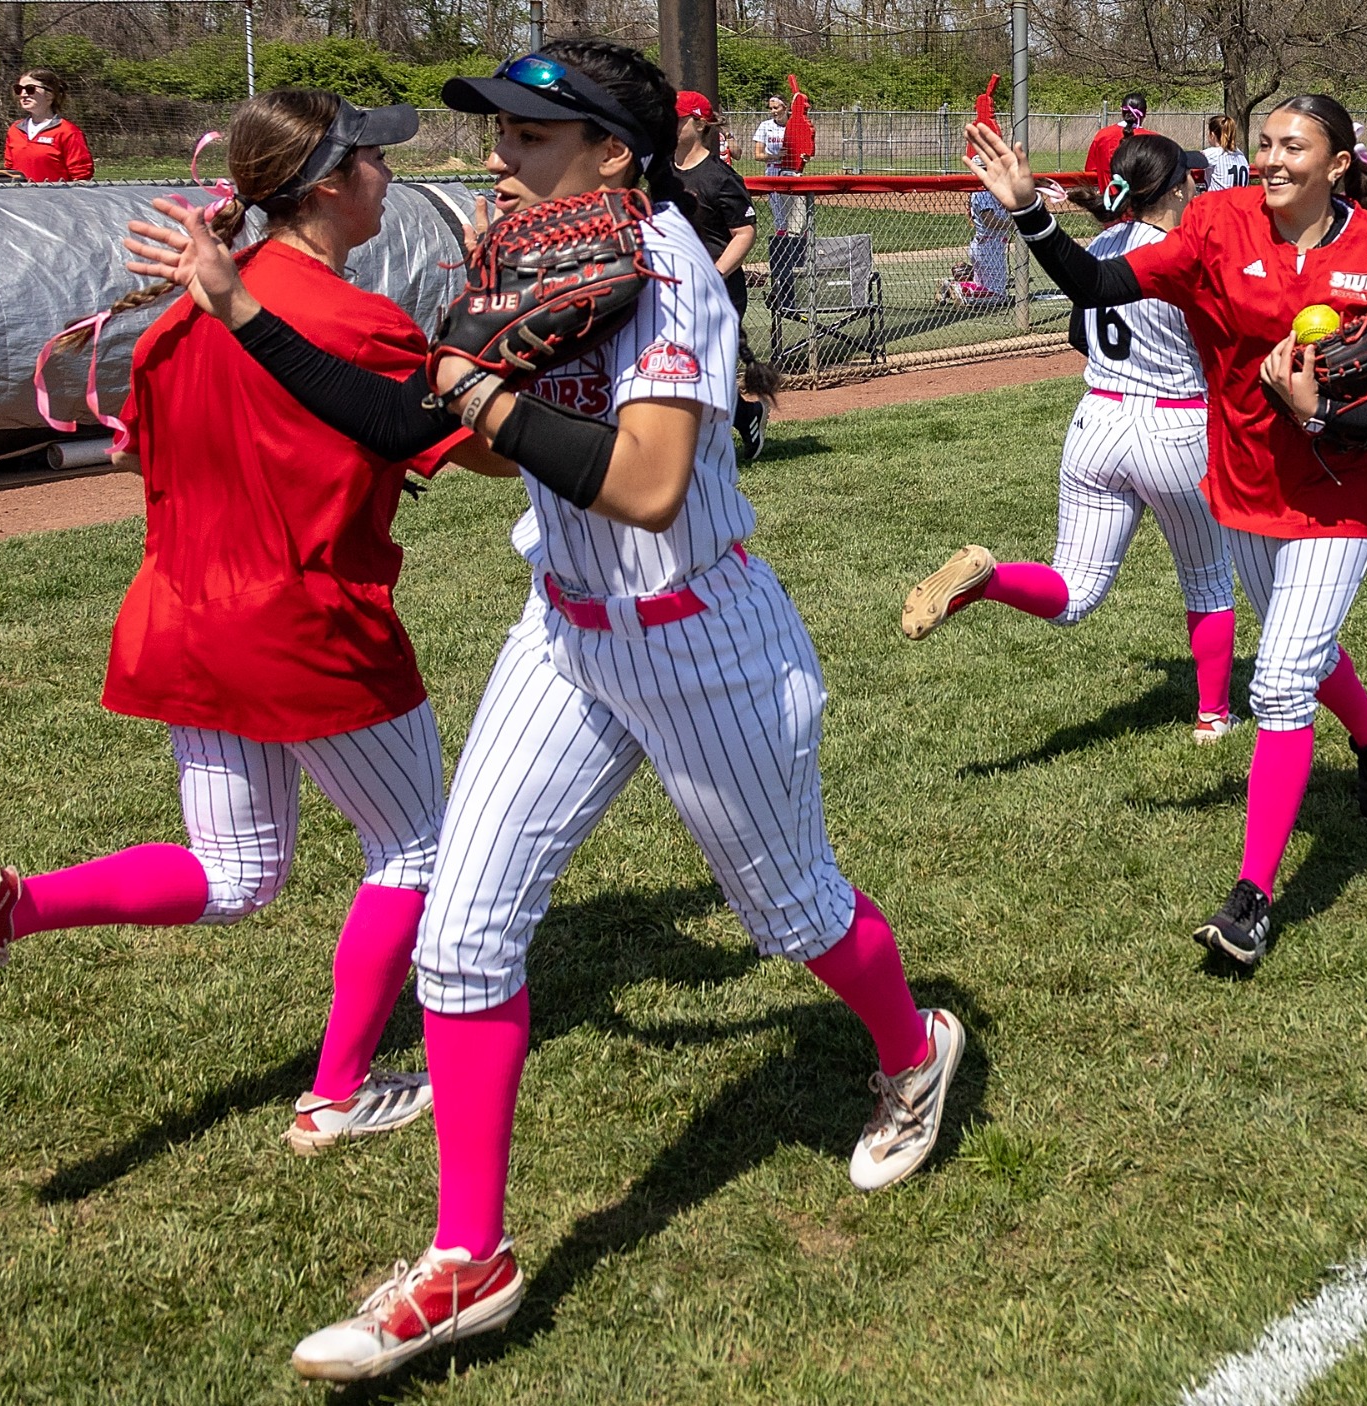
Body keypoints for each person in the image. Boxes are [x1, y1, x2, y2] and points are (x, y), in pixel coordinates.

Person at [123, 40, 967, 1379]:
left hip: (703, 643)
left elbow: (640, 484)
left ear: (614, 153)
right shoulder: (525, 255)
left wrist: (471, 387)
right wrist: (245, 315)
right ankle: (470, 1257)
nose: (494, 157)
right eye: (497, 134)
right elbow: (401, 421)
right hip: (564, 638)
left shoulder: (673, 271)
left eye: (527, 135)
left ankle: (914, 1048)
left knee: (791, 912)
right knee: (461, 938)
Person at [0, 92, 516, 1168]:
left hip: (182, 618)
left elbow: (145, 456)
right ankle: (336, 1096)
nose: (387, 178)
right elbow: (478, 449)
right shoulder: (351, 319)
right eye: (372, 162)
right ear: (324, 188)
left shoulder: (180, 311)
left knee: (236, 874)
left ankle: (10, 911)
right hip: (308, 626)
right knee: (415, 849)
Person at [958, 96, 1367, 968]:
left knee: (1285, 678)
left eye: (1295, 147)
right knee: (1309, 652)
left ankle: (1252, 898)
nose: (1272, 159)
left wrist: (1327, 408)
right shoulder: (1218, 223)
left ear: (1337, 164)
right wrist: (1028, 210)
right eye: (1264, 144)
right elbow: (1102, 285)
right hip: (1249, 484)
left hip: (1342, 496)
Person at [902, 133, 1239, 744]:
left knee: (1075, 590)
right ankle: (1214, 716)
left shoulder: (1103, 244)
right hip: (1175, 425)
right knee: (1210, 579)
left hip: (1097, 421)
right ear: (1182, 187)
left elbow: (1081, 338)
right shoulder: (1185, 252)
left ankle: (992, 580)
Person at [671, 89, 773, 458]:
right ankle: (745, 414)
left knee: (701, 376)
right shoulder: (663, 170)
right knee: (677, 372)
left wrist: (713, 274)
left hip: (717, 290)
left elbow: (744, 233)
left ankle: (706, 448)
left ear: (697, 124)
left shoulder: (719, 177)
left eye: (675, 118)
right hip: (672, 287)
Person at [3, 67, 94, 182]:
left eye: (30, 89)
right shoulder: (15, 130)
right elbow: (9, 170)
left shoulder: (68, 131)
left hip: (55, 199)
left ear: (49, 95)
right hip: (20, 198)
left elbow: (82, 176)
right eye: (19, 89)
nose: (23, 94)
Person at [1083, 91, 1152, 192]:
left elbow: (1091, 170)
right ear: (1145, 113)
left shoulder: (1102, 135)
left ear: (1121, 111)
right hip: (1141, 204)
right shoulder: (1153, 139)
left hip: (1109, 202)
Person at [753, 92, 794, 233]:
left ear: (785, 107)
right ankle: (782, 244)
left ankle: (800, 244)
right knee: (779, 212)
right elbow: (758, 155)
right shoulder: (765, 126)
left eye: (776, 108)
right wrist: (775, 156)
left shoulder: (794, 124)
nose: (773, 112)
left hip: (793, 171)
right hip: (773, 170)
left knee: (796, 214)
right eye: (771, 108)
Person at [1200, 114, 1252, 191]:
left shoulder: (1215, 153)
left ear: (1212, 135)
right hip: (1241, 201)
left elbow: (1188, 159)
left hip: (1220, 201)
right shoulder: (1241, 156)